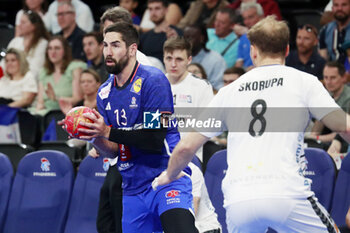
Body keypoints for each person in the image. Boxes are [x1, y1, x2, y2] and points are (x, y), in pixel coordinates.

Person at [153, 16, 346, 233]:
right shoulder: (304, 81)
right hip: (285, 192)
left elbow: (186, 146)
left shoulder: (229, 91)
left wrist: (168, 175)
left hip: (238, 199)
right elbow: (345, 127)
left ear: (253, 52)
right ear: (286, 50)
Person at [74, 22, 198, 233]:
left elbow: (154, 139)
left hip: (166, 176)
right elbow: (113, 149)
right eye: (105, 45)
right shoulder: (104, 92)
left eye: (115, 45)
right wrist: (94, 136)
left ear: (132, 50)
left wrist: (107, 131)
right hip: (132, 186)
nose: (108, 52)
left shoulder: (154, 81)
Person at [33, 35, 86, 116]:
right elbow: (40, 102)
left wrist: (56, 99)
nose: (53, 52)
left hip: (66, 113)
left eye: (57, 48)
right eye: (50, 48)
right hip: (46, 114)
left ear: (65, 51)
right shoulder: (44, 71)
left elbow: (77, 98)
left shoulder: (75, 67)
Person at [308, 61, 350, 144]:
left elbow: (344, 132)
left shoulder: (348, 98)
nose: (328, 82)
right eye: (326, 77)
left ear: (343, 78)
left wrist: (316, 138)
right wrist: (310, 138)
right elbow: (318, 124)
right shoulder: (326, 95)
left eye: (333, 78)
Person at [4, 10, 49, 78]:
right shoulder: (15, 41)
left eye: (23, 22)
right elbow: (3, 63)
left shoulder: (42, 44)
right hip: (10, 79)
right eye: (20, 22)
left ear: (34, 26)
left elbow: (36, 69)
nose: (19, 25)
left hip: (30, 81)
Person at [184, 24, 227, 90]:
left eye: (191, 37)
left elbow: (219, 87)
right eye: (186, 37)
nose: (188, 41)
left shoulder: (216, 60)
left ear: (202, 38)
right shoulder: (179, 59)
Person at [234, 2, 264, 70]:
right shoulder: (243, 37)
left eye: (250, 17)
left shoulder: (271, 35)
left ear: (261, 17)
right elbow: (239, 63)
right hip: (247, 75)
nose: (247, 22)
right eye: (244, 19)